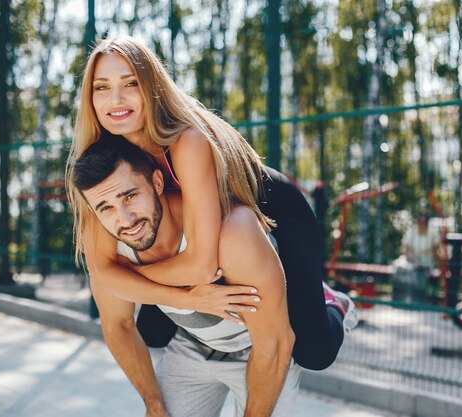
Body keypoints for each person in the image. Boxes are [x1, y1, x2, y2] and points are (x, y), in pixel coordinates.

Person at [65, 35, 356, 371]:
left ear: (150, 86)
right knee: (152, 332)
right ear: (90, 97)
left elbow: (199, 266)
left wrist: (128, 274)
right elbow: (103, 273)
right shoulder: (105, 158)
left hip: (273, 209)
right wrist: (181, 296)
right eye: (101, 87)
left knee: (313, 353)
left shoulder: (185, 141)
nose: (115, 98)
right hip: (207, 226)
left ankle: (332, 301)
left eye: (130, 83)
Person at [72, 135, 299, 417]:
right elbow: (119, 326)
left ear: (156, 183)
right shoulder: (111, 259)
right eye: (106, 208)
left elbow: (274, 344)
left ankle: (332, 302)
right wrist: (152, 404)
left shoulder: (230, 229)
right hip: (192, 345)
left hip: (261, 347)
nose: (126, 219)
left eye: (130, 196)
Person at [398, 212, 440, 302]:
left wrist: (440, 265)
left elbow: (436, 253)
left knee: (418, 275)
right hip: (411, 263)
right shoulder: (411, 233)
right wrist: (415, 261)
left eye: (424, 222)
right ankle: (403, 299)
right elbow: (405, 251)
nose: (422, 224)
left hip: (426, 265)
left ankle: (416, 300)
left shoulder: (432, 234)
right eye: (420, 222)